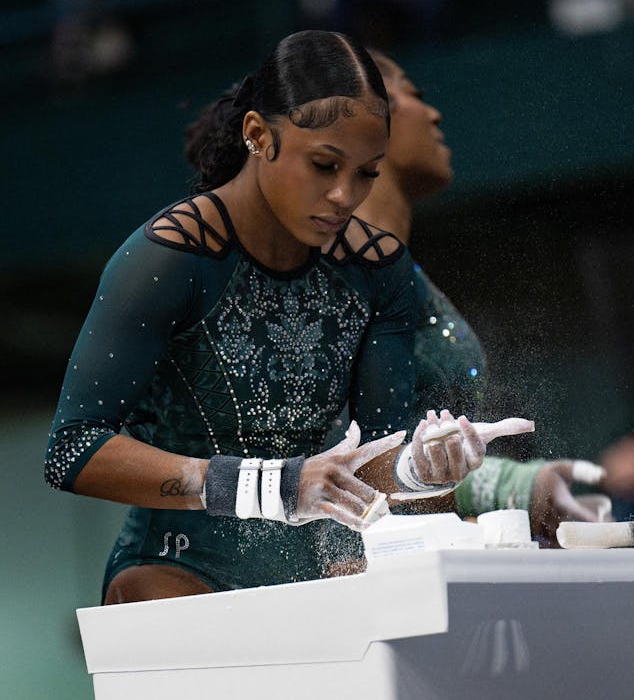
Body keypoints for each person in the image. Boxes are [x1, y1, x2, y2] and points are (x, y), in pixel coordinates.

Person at [45, 30, 490, 604]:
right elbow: (72, 449)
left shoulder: (378, 268)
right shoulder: (169, 258)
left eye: (366, 173)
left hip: (327, 569)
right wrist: (264, 486)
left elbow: (380, 457)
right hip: (182, 570)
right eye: (325, 164)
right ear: (259, 135)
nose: (343, 195)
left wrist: (420, 470)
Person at [352, 50, 604, 543]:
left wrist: (504, 487)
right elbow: (336, 455)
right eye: (412, 94)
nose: (434, 113)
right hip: (357, 556)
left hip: (423, 545)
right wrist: (504, 486)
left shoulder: (402, 274)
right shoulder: (335, 278)